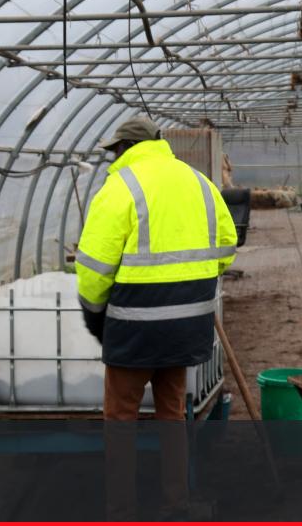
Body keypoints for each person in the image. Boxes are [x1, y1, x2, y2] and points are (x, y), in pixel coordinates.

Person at [75, 116, 237, 519]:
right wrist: (195, 285)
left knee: (120, 417)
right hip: (187, 327)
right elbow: (227, 245)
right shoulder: (199, 182)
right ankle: (175, 501)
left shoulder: (120, 187)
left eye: (115, 150)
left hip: (134, 327)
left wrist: (95, 316)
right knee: (172, 413)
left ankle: (121, 507)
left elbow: (94, 268)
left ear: (124, 149)